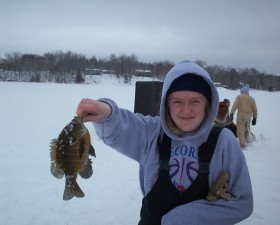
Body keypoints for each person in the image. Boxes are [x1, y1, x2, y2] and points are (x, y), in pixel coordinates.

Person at [76, 60, 253, 225]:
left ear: (208, 103)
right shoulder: (153, 133)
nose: (186, 110)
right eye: (177, 102)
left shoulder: (223, 141)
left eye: (195, 101)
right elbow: (122, 127)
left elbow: (242, 202)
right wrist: (105, 111)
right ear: (166, 104)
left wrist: (181, 218)